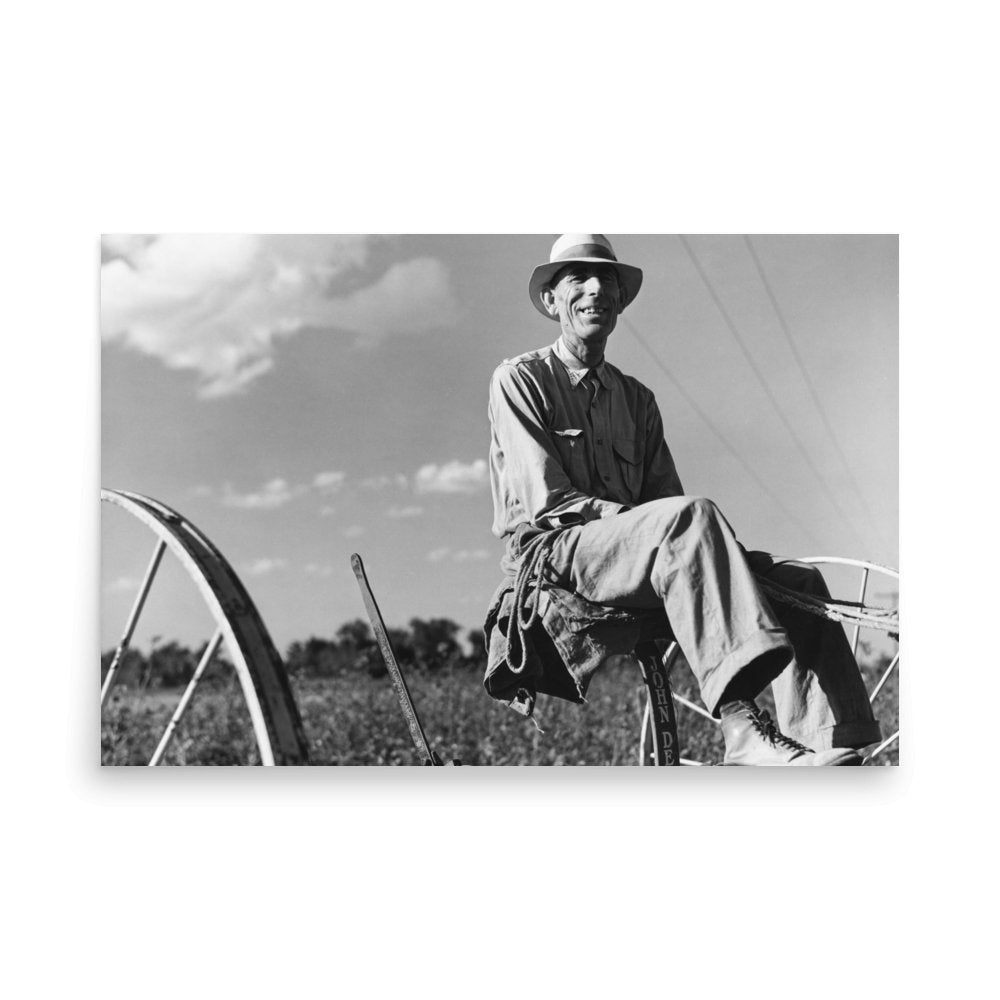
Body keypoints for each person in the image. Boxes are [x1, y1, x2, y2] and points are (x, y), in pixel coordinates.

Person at [483, 234, 881, 765]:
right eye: (577, 279)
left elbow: (665, 503)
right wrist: (657, 526)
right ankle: (742, 730)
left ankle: (833, 747)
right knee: (690, 518)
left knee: (796, 583)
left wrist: (716, 552)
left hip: (643, 552)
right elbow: (548, 502)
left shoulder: (637, 400)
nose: (596, 289)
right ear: (553, 300)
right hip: (556, 554)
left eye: (609, 281)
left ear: (622, 302)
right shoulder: (521, 379)